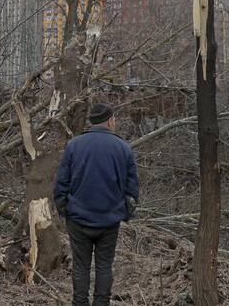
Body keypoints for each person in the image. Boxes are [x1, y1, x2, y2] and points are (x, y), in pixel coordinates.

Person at [54, 103, 139, 306]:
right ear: (109, 121)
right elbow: (132, 186)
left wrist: (63, 208)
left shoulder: (74, 145)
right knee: (104, 267)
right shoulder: (123, 147)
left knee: (81, 266)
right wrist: (125, 213)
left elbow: (61, 182)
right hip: (110, 218)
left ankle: (79, 303)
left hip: (78, 216)